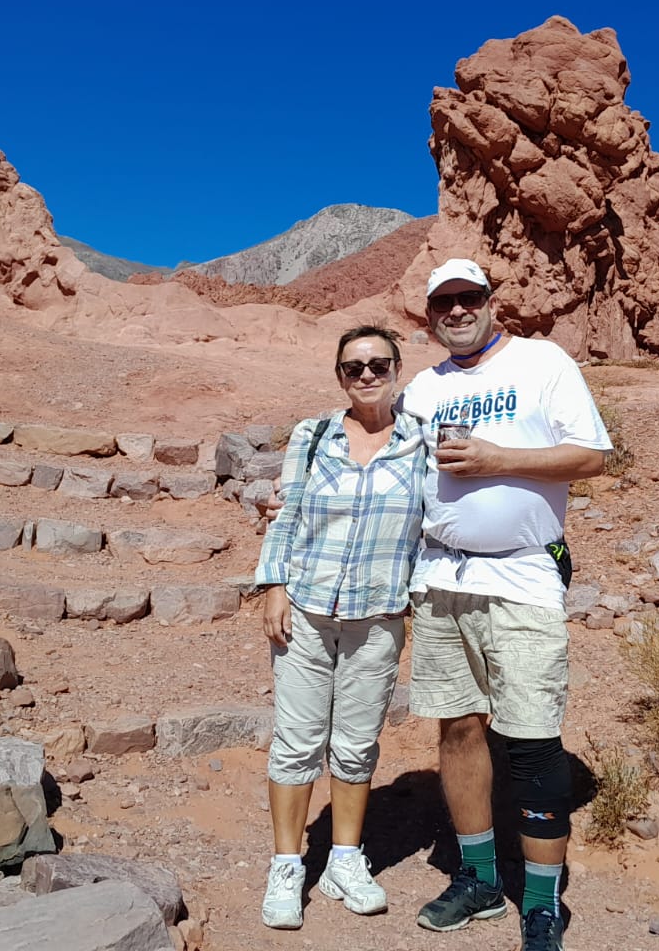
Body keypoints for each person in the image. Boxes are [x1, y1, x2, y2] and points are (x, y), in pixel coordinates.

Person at [399, 258, 610, 951]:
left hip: (520, 577)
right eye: (443, 304)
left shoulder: (541, 364)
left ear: (492, 301)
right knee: (457, 728)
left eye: (469, 298)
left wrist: (499, 461)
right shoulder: (421, 389)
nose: (457, 311)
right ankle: (481, 877)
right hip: (440, 582)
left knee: (532, 740)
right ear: (429, 316)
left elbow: (591, 457)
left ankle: (544, 902)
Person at [253, 324, 426, 930]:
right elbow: (287, 510)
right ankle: (287, 865)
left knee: (356, 744)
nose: (367, 374)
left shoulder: (422, 440)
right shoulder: (314, 433)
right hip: (306, 605)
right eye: (354, 367)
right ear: (340, 376)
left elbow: (440, 519)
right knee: (297, 740)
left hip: (379, 614)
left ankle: (345, 861)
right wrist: (273, 585)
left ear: (397, 369)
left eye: (379, 363)